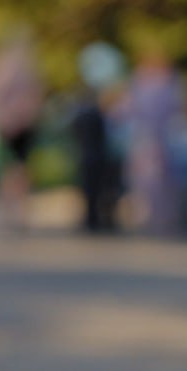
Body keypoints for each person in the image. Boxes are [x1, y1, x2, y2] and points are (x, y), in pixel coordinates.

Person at [123, 51, 187, 237]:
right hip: (155, 142)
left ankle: (159, 216)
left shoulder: (155, 88)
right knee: (155, 182)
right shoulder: (170, 87)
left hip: (154, 142)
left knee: (156, 182)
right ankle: (161, 216)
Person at [0, 37, 46, 231]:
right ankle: (11, 209)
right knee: (11, 169)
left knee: (19, 169)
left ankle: (17, 210)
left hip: (19, 125)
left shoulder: (25, 69)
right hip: (10, 125)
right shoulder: (7, 69)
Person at [70, 42, 127, 233]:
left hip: (99, 153)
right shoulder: (88, 104)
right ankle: (95, 217)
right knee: (96, 187)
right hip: (94, 154)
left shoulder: (101, 103)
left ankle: (102, 217)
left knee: (107, 187)